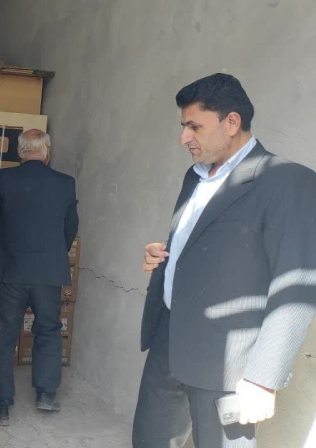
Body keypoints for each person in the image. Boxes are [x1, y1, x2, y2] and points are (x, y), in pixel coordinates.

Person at [134, 73, 316, 448]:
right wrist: (167, 256)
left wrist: (263, 378)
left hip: (229, 363)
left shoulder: (287, 182)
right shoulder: (195, 177)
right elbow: (211, 242)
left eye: (194, 126)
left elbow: (297, 284)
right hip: (168, 340)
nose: (184, 137)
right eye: (184, 127)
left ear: (231, 122)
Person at [0, 129, 79, 425]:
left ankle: (0, 405)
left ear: (20, 152)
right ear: (47, 151)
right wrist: (52, 256)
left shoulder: (4, 179)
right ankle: (46, 394)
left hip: (10, 270)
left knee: (3, 335)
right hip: (48, 272)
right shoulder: (65, 183)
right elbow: (70, 227)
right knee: (49, 330)